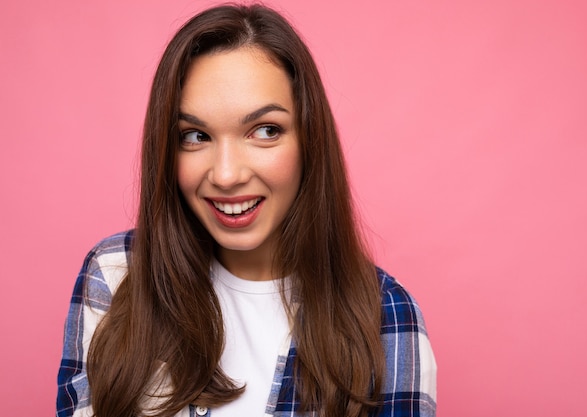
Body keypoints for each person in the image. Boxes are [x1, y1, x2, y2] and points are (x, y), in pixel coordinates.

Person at [56, 4, 436, 417]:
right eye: (195, 135)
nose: (225, 175)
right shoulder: (115, 275)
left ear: (309, 139)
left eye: (265, 131)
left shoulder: (388, 316)